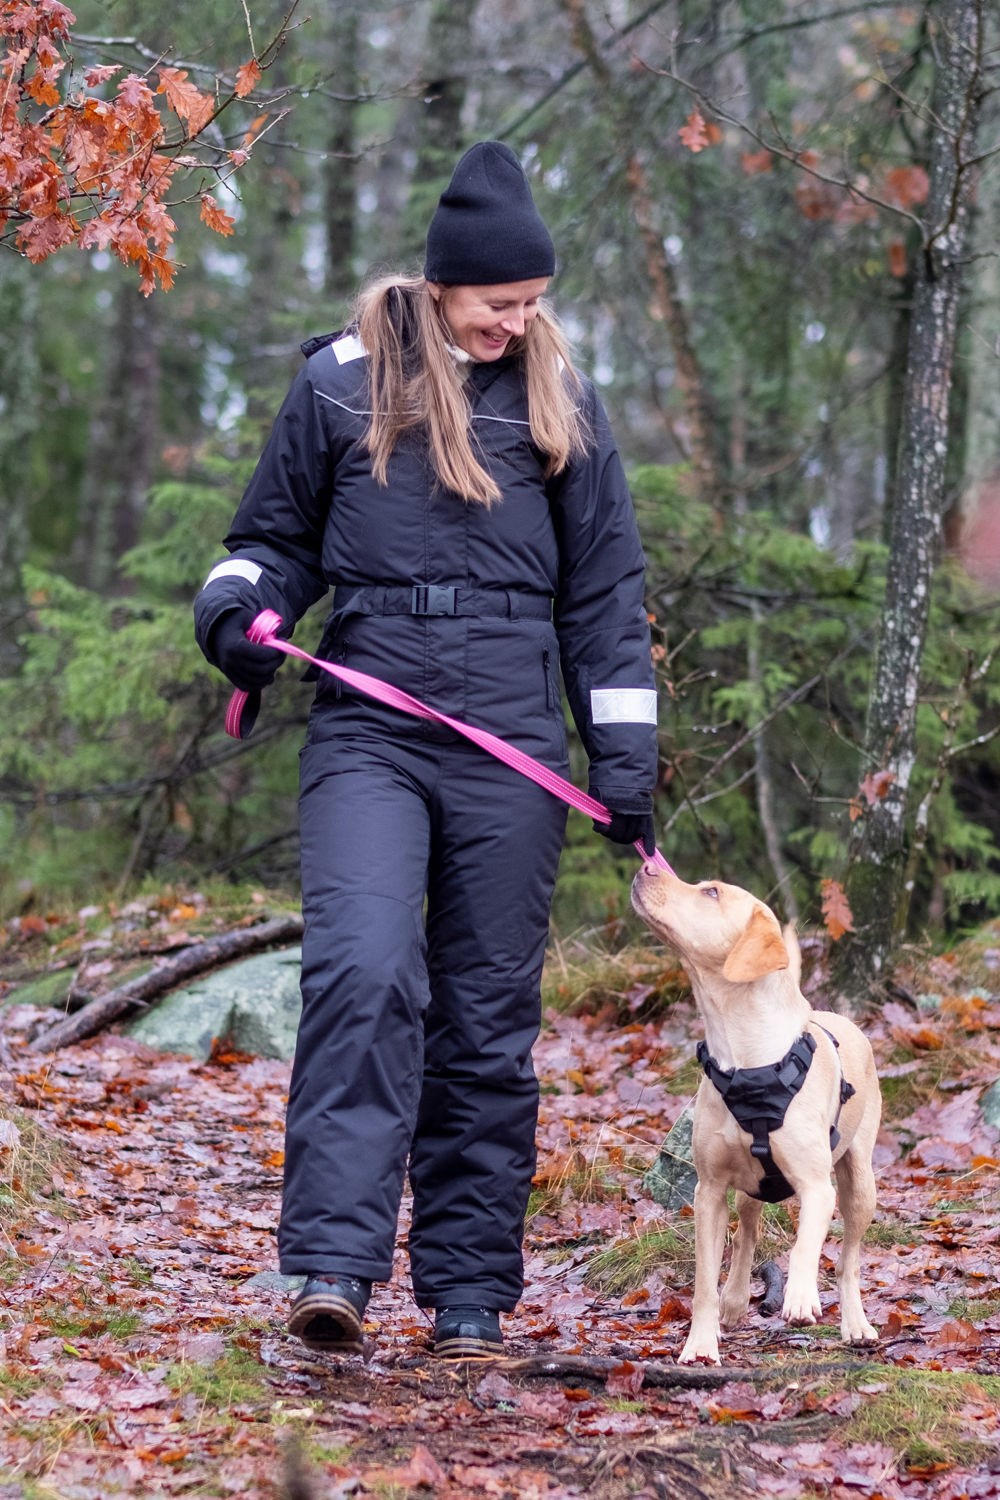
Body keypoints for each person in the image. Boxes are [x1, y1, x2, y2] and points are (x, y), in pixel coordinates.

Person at [194, 140, 658, 1358]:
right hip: (371, 721)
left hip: (509, 736)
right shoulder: (341, 383)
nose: (519, 320)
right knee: (361, 970)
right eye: (501, 302)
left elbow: (604, 597)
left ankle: (466, 1296)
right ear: (444, 285)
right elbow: (271, 539)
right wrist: (238, 611)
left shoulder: (564, 397)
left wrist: (624, 763)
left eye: (532, 301)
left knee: (487, 1016)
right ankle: (333, 1269)